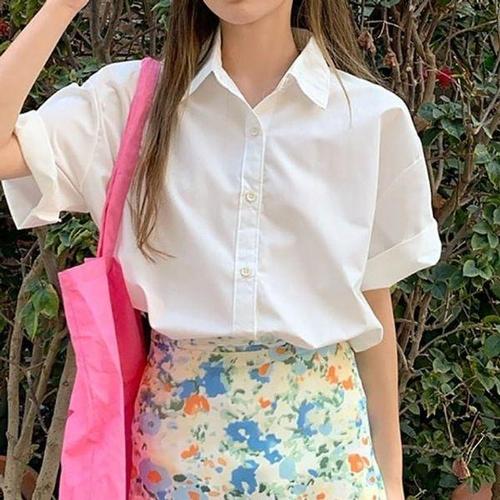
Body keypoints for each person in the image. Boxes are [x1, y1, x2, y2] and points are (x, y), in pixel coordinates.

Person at [0, 0, 442, 498]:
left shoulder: (370, 118)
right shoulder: (129, 104)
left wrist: (391, 479)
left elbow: (373, 300)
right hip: (173, 468)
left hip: (331, 462)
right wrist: (62, 6)